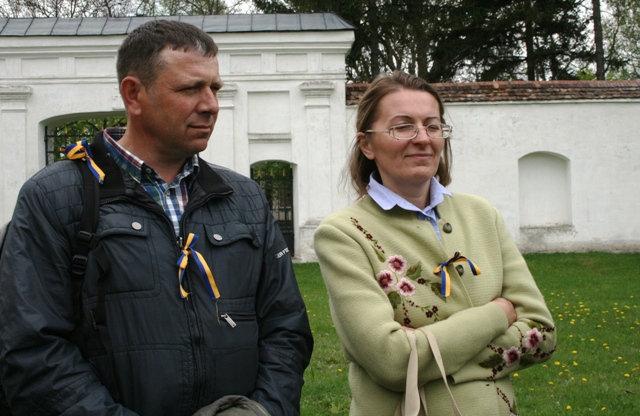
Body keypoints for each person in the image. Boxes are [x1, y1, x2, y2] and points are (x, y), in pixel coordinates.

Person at [0, 20, 313, 416]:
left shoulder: (244, 198)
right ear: (134, 94)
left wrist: (263, 411)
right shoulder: (53, 198)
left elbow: (286, 328)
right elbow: (34, 350)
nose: (211, 104)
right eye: (189, 89)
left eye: (214, 88)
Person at [313, 71, 556, 416]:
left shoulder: (482, 214)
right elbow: (393, 361)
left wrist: (430, 360)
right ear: (367, 144)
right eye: (402, 127)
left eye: (432, 125)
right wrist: (498, 313)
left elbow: (541, 335)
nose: (423, 138)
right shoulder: (343, 233)